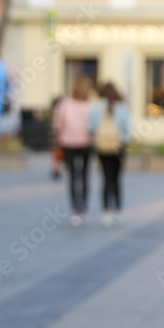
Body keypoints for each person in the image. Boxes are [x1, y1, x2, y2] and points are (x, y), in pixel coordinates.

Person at [53, 79, 95, 226]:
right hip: (86, 143)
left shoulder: (65, 104)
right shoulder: (91, 105)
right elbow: (94, 125)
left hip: (68, 142)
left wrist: (58, 140)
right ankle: (84, 207)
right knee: (84, 175)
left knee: (72, 176)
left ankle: (75, 209)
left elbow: (58, 124)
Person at [92, 82, 131, 227]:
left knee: (106, 177)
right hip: (119, 147)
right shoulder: (122, 107)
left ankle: (106, 210)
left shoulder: (97, 106)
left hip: (102, 147)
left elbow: (91, 126)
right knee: (116, 178)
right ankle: (118, 210)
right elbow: (128, 127)